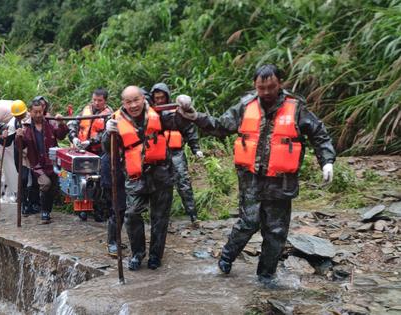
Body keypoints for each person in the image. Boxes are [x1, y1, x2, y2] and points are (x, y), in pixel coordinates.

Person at [177, 64, 336, 287]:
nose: (266, 92)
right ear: (255, 86)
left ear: (280, 83)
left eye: (270, 87)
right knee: (248, 222)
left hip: (281, 181)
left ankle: (266, 276)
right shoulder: (245, 105)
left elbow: (319, 134)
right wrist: (195, 116)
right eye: (261, 88)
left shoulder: (296, 108)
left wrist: (327, 161)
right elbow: (221, 126)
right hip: (250, 178)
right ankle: (226, 257)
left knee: (276, 231)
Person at [102, 86, 190, 270]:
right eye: (128, 101)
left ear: (143, 98)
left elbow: (179, 123)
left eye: (136, 100)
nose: (133, 105)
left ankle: (156, 256)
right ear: (123, 103)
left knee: (160, 218)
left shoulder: (159, 114)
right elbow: (107, 148)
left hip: (162, 174)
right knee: (132, 213)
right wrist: (107, 133)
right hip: (135, 177)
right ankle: (137, 254)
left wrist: (185, 109)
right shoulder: (116, 120)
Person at [150, 83, 203, 223]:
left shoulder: (177, 112)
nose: (160, 100)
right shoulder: (149, 113)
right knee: (160, 186)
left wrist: (196, 148)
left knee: (183, 182)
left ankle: (193, 216)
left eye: (162, 97)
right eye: (157, 98)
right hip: (159, 156)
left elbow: (189, 130)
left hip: (176, 153)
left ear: (167, 97)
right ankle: (160, 217)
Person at [15, 98, 69, 224]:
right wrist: (19, 136)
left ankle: (47, 210)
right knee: (46, 184)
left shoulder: (50, 124)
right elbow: (20, 147)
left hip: (52, 162)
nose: (38, 115)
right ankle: (44, 211)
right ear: (31, 112)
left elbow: (61, 135)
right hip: (37, 164)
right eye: (35, 112)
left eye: (40, 112)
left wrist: (61, 124)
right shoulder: (26, 127)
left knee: (52, 187)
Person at [67, 88, 114, 222]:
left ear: (105, 101)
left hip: (99, 152)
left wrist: (90, 141)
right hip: (82, 151)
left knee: (99, 182)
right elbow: (73, 124)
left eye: (100, 100)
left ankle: (101, 211)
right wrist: (74, 138)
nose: (96, 103)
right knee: (81, 180)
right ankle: (83, 209)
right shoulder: (85, 110)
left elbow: (106, 133)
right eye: (94, 100)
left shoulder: (109, 115)